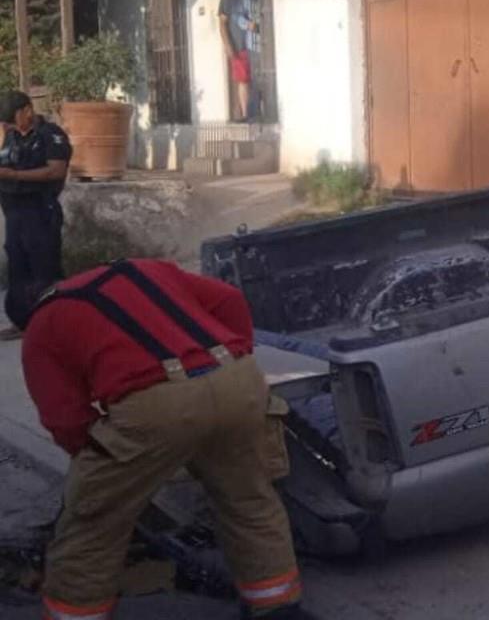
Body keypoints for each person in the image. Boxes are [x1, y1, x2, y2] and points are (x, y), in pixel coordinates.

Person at [21, 258, 312, 619]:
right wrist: (236, 358)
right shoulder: (141, 268)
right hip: (237, 377)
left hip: (155, 405)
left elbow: (66, 421)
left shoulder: (40, 327)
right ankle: (277, 606)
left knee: (93, 525)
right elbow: (229, 300)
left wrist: (105, 472)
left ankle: (75, 615)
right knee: (249, 499)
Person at [0, 90, 71, 336]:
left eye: (11, 119)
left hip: (40, 210)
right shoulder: (10, 137)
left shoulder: (50, 135)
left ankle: (54, 323)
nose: (7, 124)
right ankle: (21, 322)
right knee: (18, 267)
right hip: (14, 211)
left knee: (44, 267)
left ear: (27, 111)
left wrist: (15, 175)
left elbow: (56, 171)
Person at [219, 0, 258, 122]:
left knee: (250, 79)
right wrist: (228, 45)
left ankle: (248, 112)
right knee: (243, 80)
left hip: (251, 45)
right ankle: (245, 113)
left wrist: (253, 26)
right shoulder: (227, 0)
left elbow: (254, 22)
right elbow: (222, 24)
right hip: (238, 47)